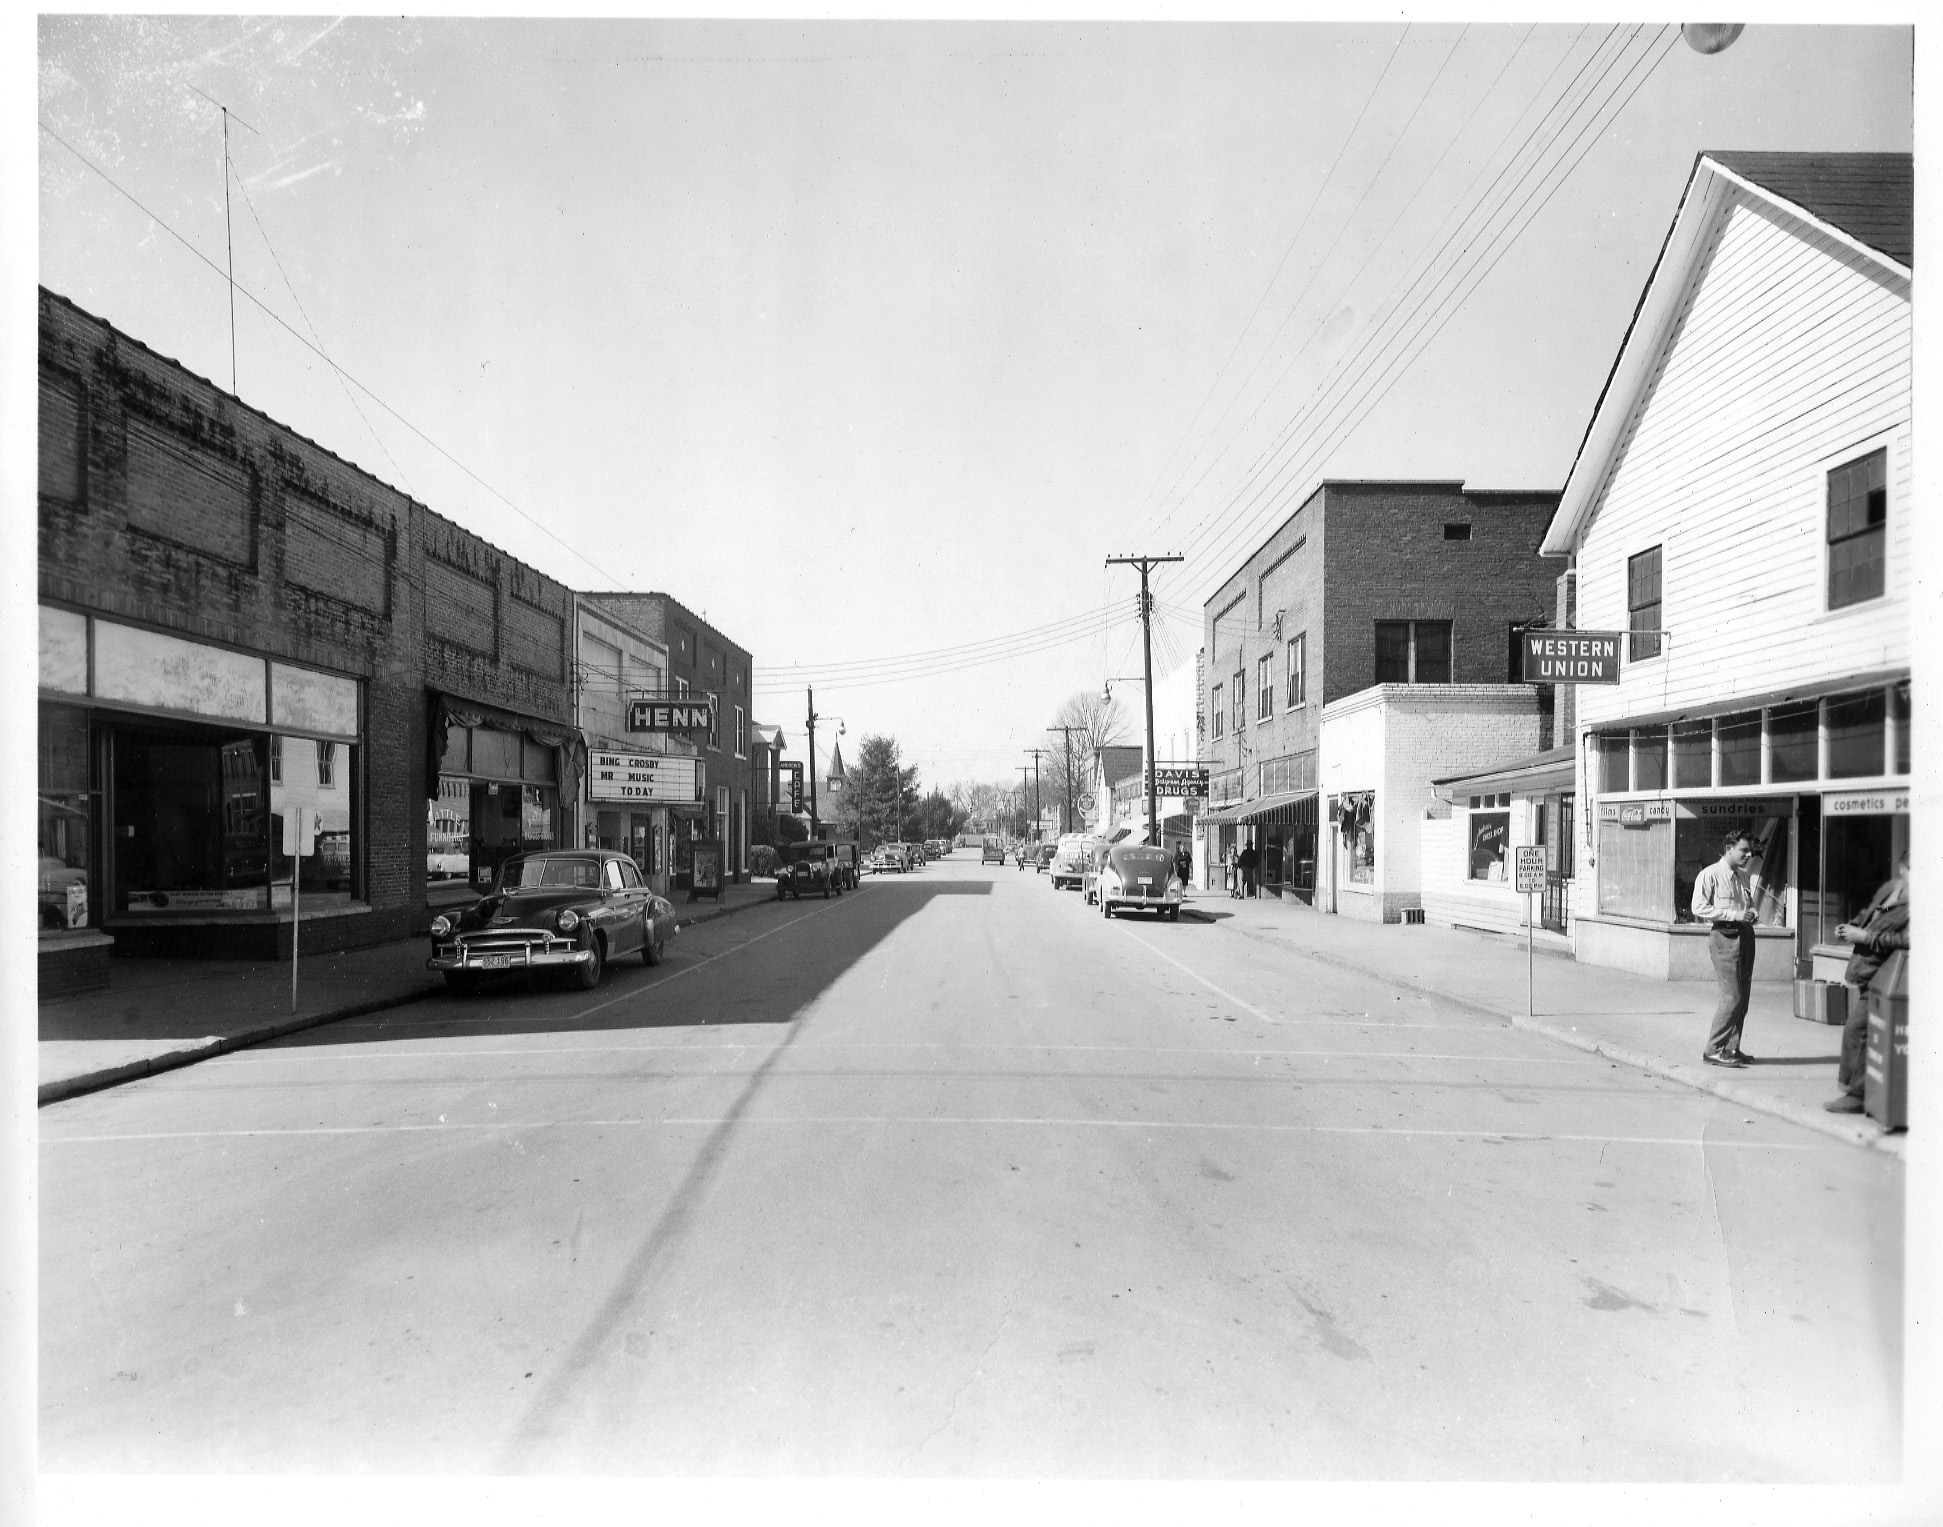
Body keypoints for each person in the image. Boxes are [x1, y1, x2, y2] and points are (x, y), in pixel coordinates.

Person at [1826, 847, 1910, 1114]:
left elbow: (1908, 940)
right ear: (1902, 868)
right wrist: (1852, 926)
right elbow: (1869, 913)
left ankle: (1857, 1093)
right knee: (1870, 1032)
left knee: (1858, 1029)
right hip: (1868, 968)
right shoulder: (1892, 888)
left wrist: (1864, 938)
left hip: (1890, 974)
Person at [1691, 827, 1761, 1067]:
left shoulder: (1743, 877)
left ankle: (1731, 1048)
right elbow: (1698, 907)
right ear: (1729, 849)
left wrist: (1750, 913)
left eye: (1750, 851)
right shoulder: (1710, 875)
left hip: (1745, 936)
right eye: (1743, 850)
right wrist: (1733, 914)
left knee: (1743, 999)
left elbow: (1746, 906)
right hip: (1724, 936)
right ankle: (1713, 1049)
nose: (1748, 855)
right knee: (1732, 997)